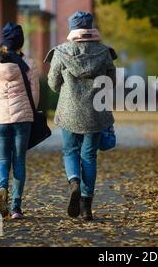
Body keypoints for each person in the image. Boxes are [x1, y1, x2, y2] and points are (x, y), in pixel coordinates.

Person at [45, 11, 116, 221]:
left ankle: (74, 181)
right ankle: (86, 207)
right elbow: (111, 81)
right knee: (89, 156)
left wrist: (65, 90)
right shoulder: (103, 52)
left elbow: (52, 82)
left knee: (70, 151)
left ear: (72, 28)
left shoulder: (61, 52)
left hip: (69, 111)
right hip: (95, 112)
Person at [0, 23, 39, 219]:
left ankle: (1, 189)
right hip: (23, 119)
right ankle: (15, 207)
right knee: (19, 161)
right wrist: (31, 114)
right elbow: (35, 95)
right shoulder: (28, 63)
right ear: (21, 42)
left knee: (2, 160)